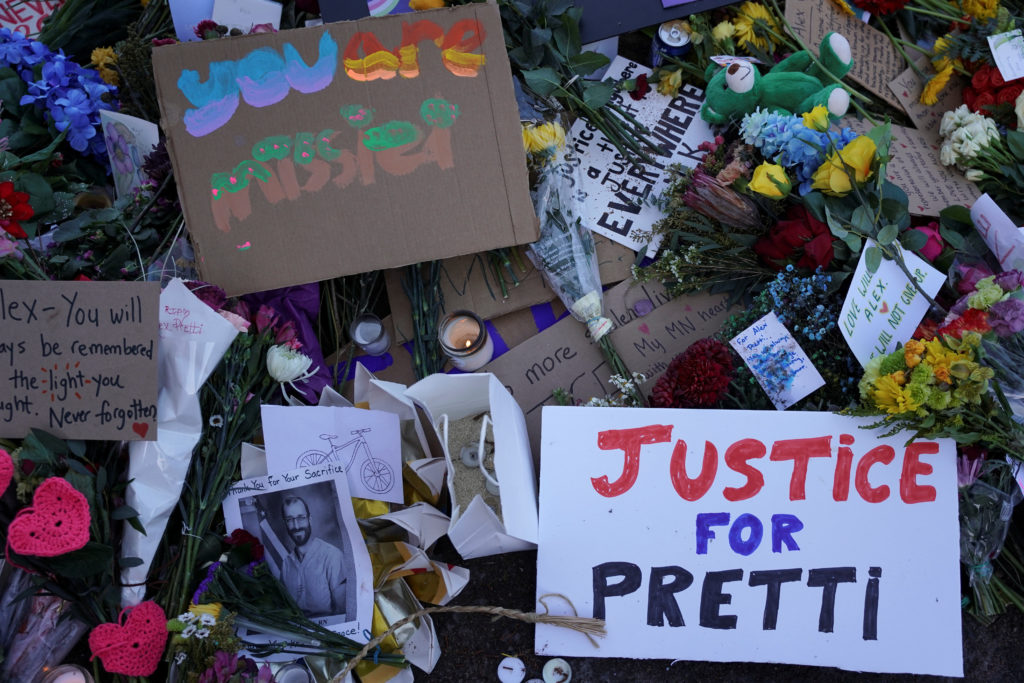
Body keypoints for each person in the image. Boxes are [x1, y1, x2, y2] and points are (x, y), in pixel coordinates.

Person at [278, 494, 347, 618]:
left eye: (301, 518)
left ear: (310, 519)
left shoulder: (332, 556)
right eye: (290, 520)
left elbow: (343, 613)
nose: (296, 526)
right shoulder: (286, 564)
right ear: (285, 524)